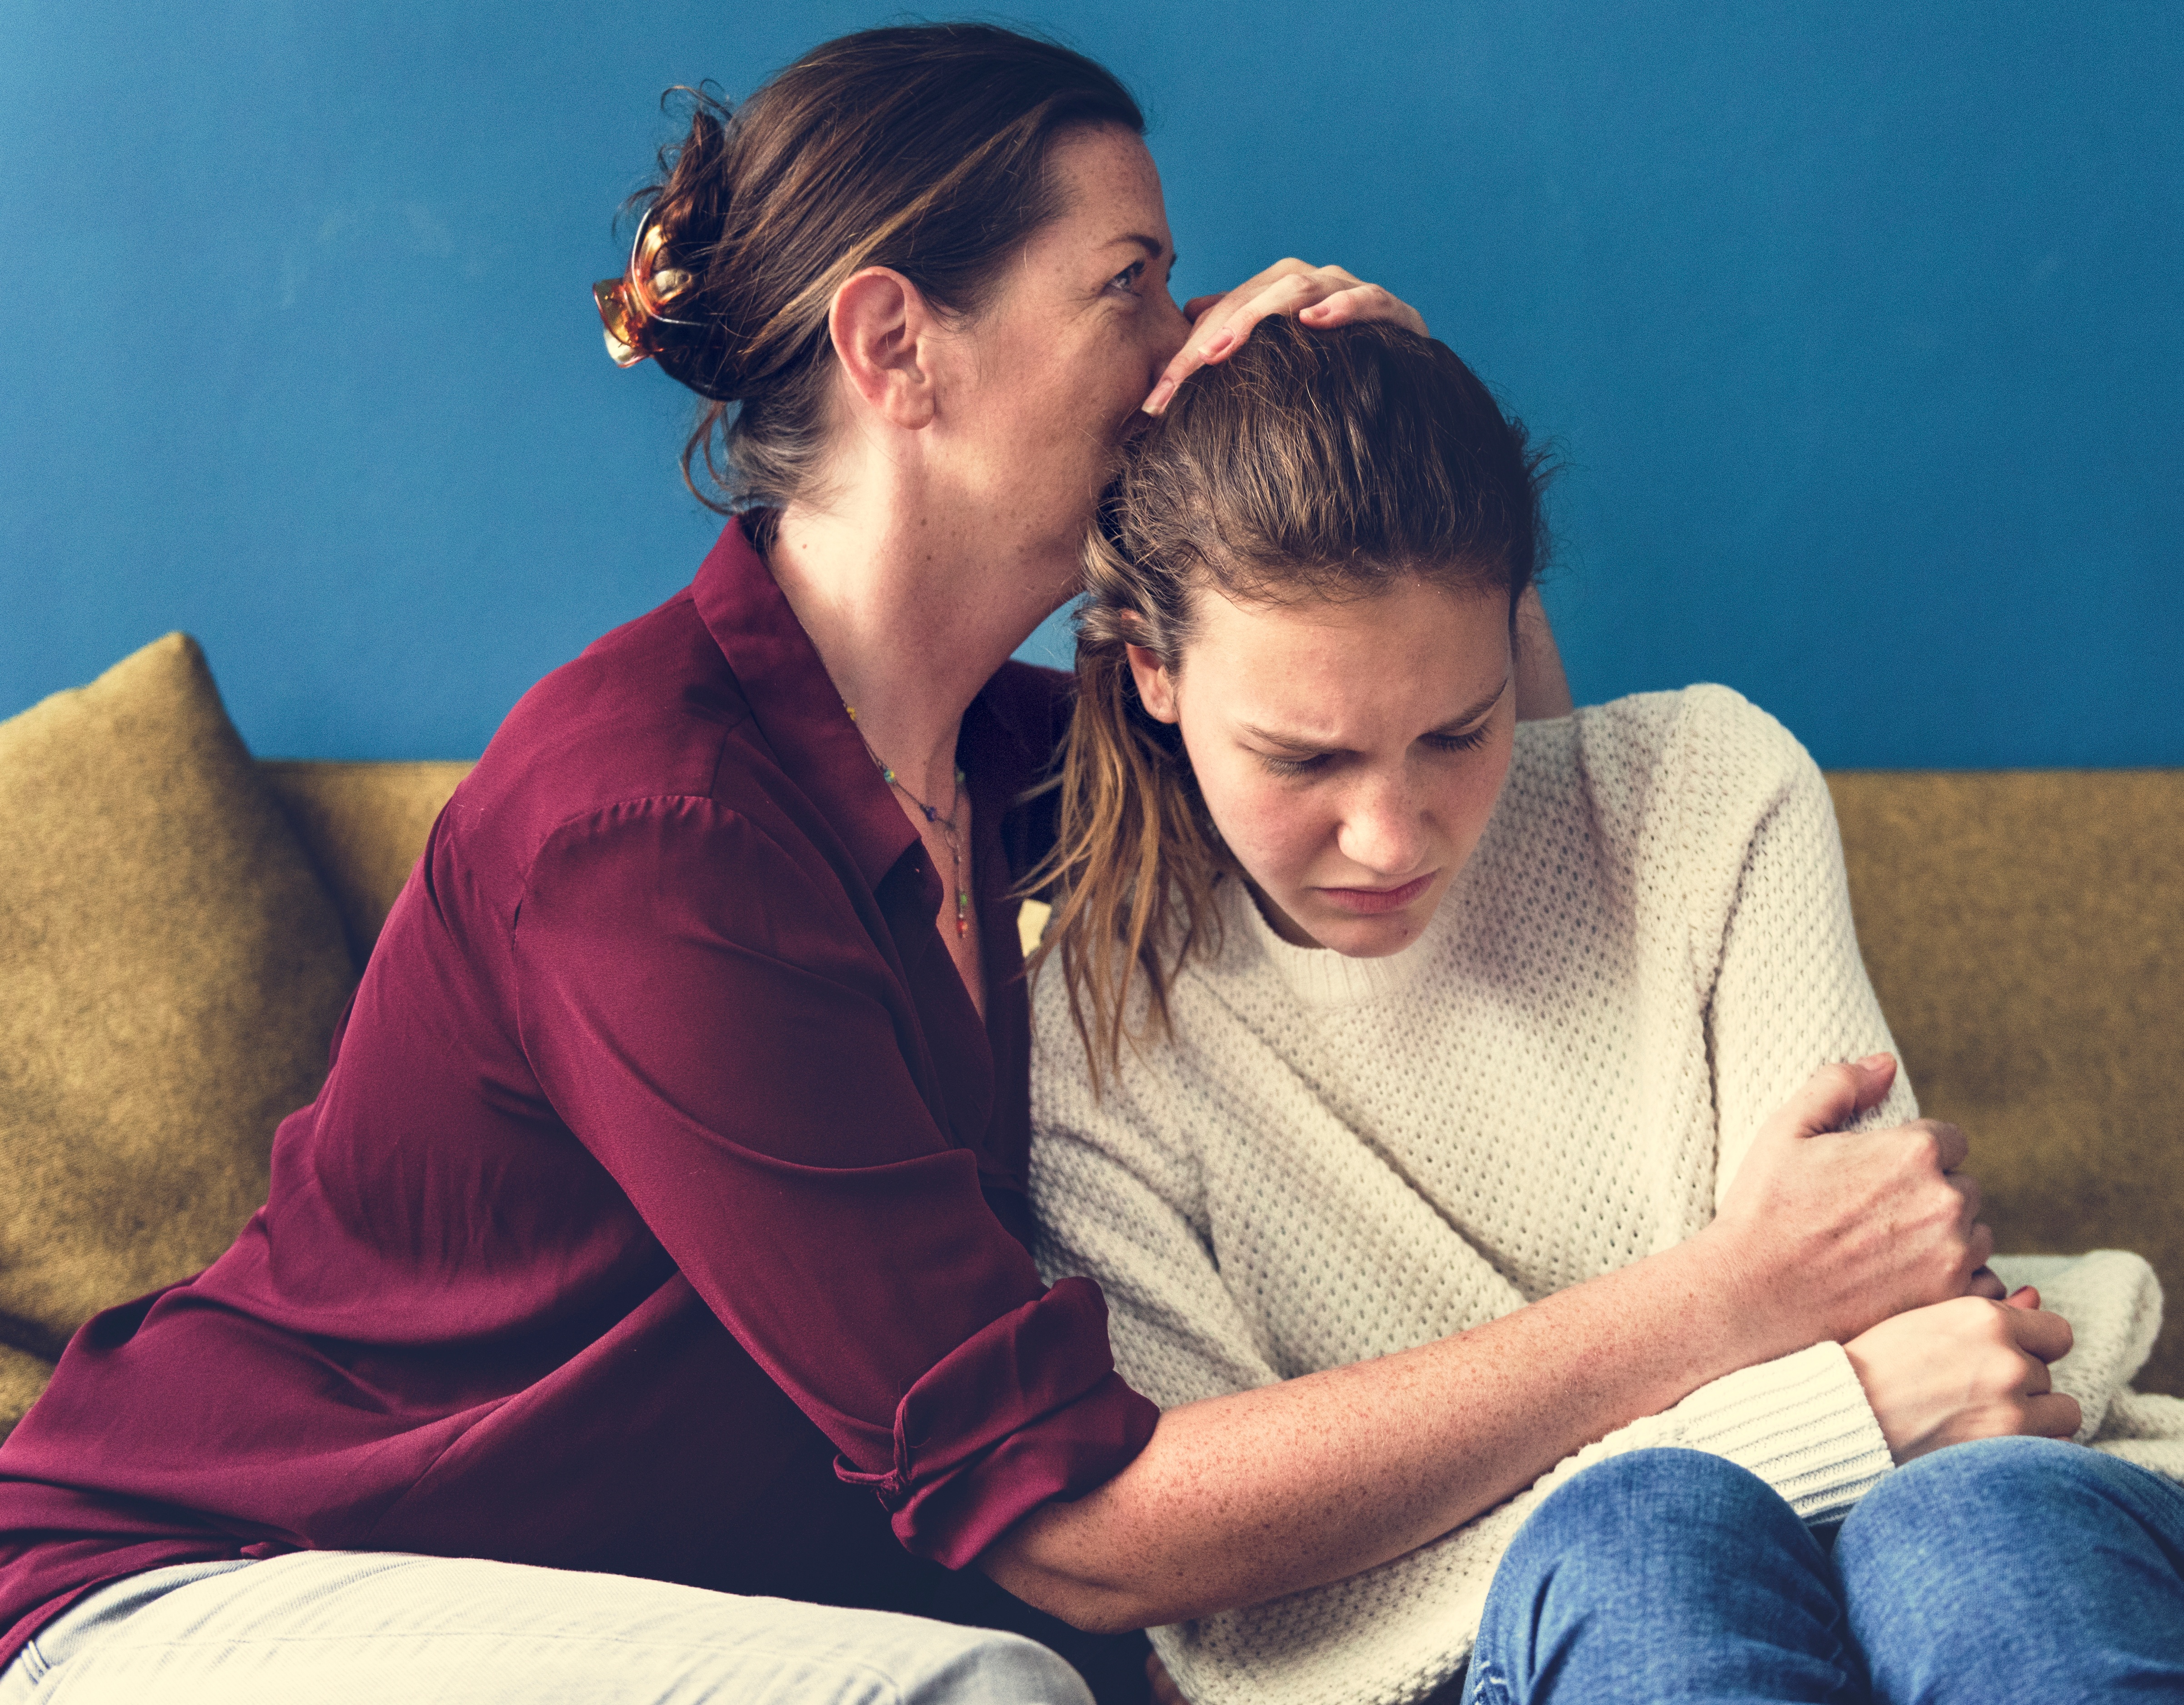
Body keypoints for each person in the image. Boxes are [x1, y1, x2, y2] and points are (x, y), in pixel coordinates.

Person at [0, 23, 1563, 1705]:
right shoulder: (649, 833)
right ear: (900, 345)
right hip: (190, 1597)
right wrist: (1724, 1308)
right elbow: (1074, 1526)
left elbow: (1505, 833)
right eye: (1130, 285)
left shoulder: (1025, 763)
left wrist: (1414, 471)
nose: (1184, 351)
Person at [1025, 314, 2184, 1704]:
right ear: (1152, 670)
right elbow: (1245, 1607)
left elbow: (1907, 1323)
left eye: (1458, 731)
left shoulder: (1703, 793)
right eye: (1305, 757)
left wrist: (1858, 1391)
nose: (1393, 838)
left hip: (1985, 1492)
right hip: (1493, 1643)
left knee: (1973, 1523)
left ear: (1518, 627)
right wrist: (1837, 1410)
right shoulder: (1095, 1035)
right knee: (1639, 1546)